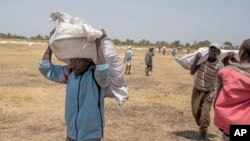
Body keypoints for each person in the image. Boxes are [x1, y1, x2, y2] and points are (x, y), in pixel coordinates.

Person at [39, 31, 109, 141]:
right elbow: (45, 68)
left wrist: (98, 43)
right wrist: (51, 44)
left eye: (78, 61)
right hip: (71, 134)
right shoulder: (69, 73)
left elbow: (103, 69)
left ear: (88, 60)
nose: (74, 64)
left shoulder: (95, 76)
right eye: (72, 60)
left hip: (90, 137)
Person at [213, 39, 250, 141]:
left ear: (241, 52)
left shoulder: (226, 72)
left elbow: (216, 99)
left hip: (231, 125)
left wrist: (222, 123)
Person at [190, 43, 224, 141]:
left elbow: (221, 82)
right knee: (195, 112)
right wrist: (196, 60)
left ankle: (202, 134)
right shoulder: (202, 61)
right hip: (197, 89)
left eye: (216, 51)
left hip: (209, 92)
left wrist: (213, 94)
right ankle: (201, 124)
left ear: (218, 53)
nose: (213, 52)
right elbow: (192, 72)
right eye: (212, 50)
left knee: (205, 114)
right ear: (208, 51)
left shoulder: (219, 65)